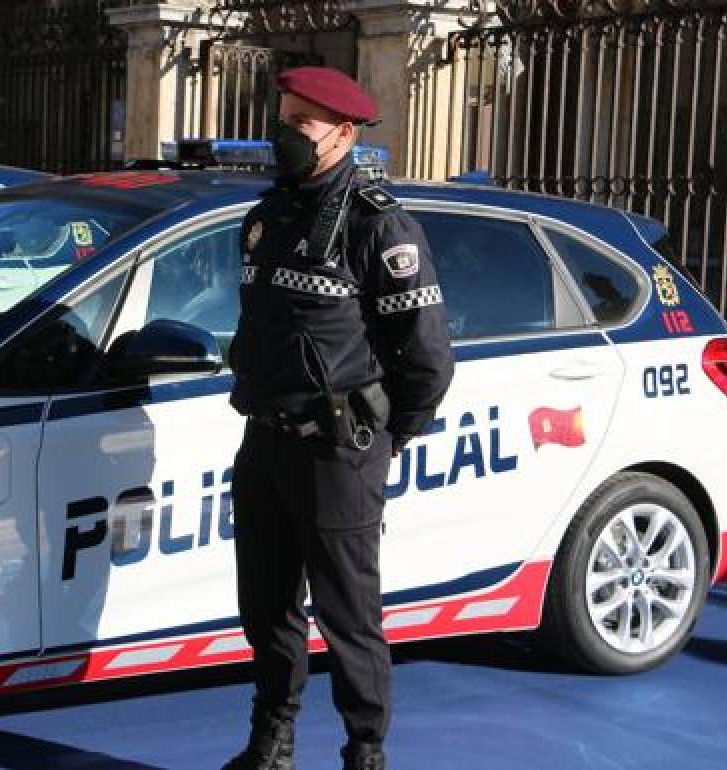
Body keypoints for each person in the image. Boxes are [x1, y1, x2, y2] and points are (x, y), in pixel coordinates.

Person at [224, 66, 455, 770]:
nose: (283, 135)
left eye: (301, 124)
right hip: (264, 442)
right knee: (267, 610)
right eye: (284, 118)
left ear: (344, 135)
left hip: (338, 452)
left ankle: (365, 751)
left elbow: (426, 361)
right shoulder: (269, 216)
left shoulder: (378, 225)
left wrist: (384, 439)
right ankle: (272, 742)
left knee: (349, 618)